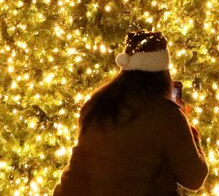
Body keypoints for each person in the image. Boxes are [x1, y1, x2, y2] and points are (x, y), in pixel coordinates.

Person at [52, 29, 209, 195]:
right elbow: (194, 178)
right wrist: (192, 134)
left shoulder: (97, 103)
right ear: (163, 76)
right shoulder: (165, 114)